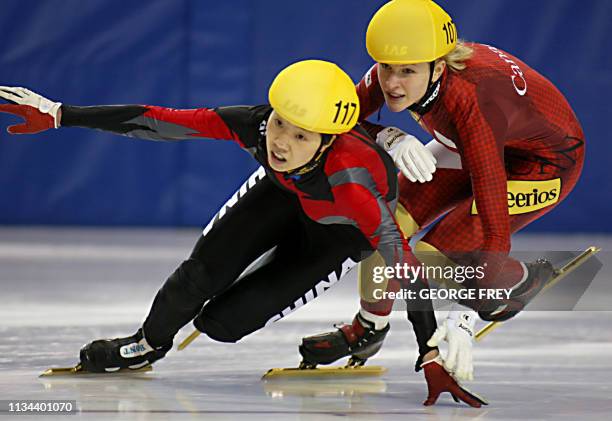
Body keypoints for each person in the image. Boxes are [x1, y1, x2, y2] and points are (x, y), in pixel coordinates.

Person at [0, 59, 486, 407]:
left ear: (327, 141)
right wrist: (64, 114)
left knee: (223, 324)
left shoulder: (353, 185)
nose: (279, 141)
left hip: (336, 232)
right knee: (197, 280)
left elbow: (403, 265)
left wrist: (428, 350)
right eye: (280, 123)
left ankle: (367, 333)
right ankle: (145, 344)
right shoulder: (257, 127)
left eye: (300, 136)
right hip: (278, 195)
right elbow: (160, 121)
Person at [305, 0, 585, 399]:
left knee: (444, 258)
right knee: (383, 227)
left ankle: (520, 282)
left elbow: (493, 220)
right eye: (386, 68)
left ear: (438, 67)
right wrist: (388, 137)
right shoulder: (397, 67)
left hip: (542, 164)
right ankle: (369, 327)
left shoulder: (473, 99)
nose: (393, 84)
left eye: (407, 72)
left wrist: (466, 314)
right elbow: (338, 123)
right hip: (472, 143)